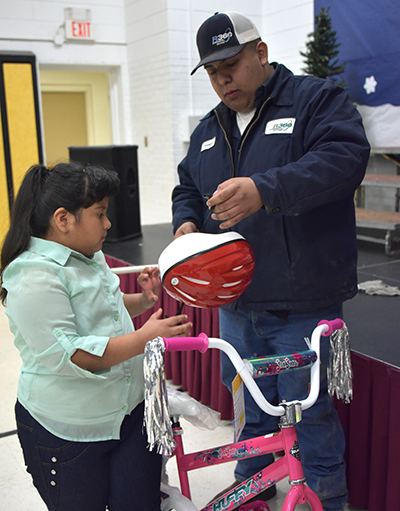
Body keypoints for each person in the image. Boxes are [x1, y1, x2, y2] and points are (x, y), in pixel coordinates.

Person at [172, 11, 370, 511]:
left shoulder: (314, 100)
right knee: (247, 409)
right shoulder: (209, 129)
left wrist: (265, 189)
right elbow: (186, 187)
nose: (223, 81)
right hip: (235, 306)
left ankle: (327, 498)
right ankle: (253, 490)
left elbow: (345, 157)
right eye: (213, 73)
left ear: (260, 53)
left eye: (231, 65)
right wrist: (187, 224)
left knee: (312, 412)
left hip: (302, 302)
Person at [0, 162, 192, 511]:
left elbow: (105, 310)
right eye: (100, 214)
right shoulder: (32, 276)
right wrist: (146, 337)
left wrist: (144, 301)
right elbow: (73, 354)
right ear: (63, 219)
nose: (108, 224)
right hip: (70, 430)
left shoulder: (89, 255)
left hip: (129, 414)